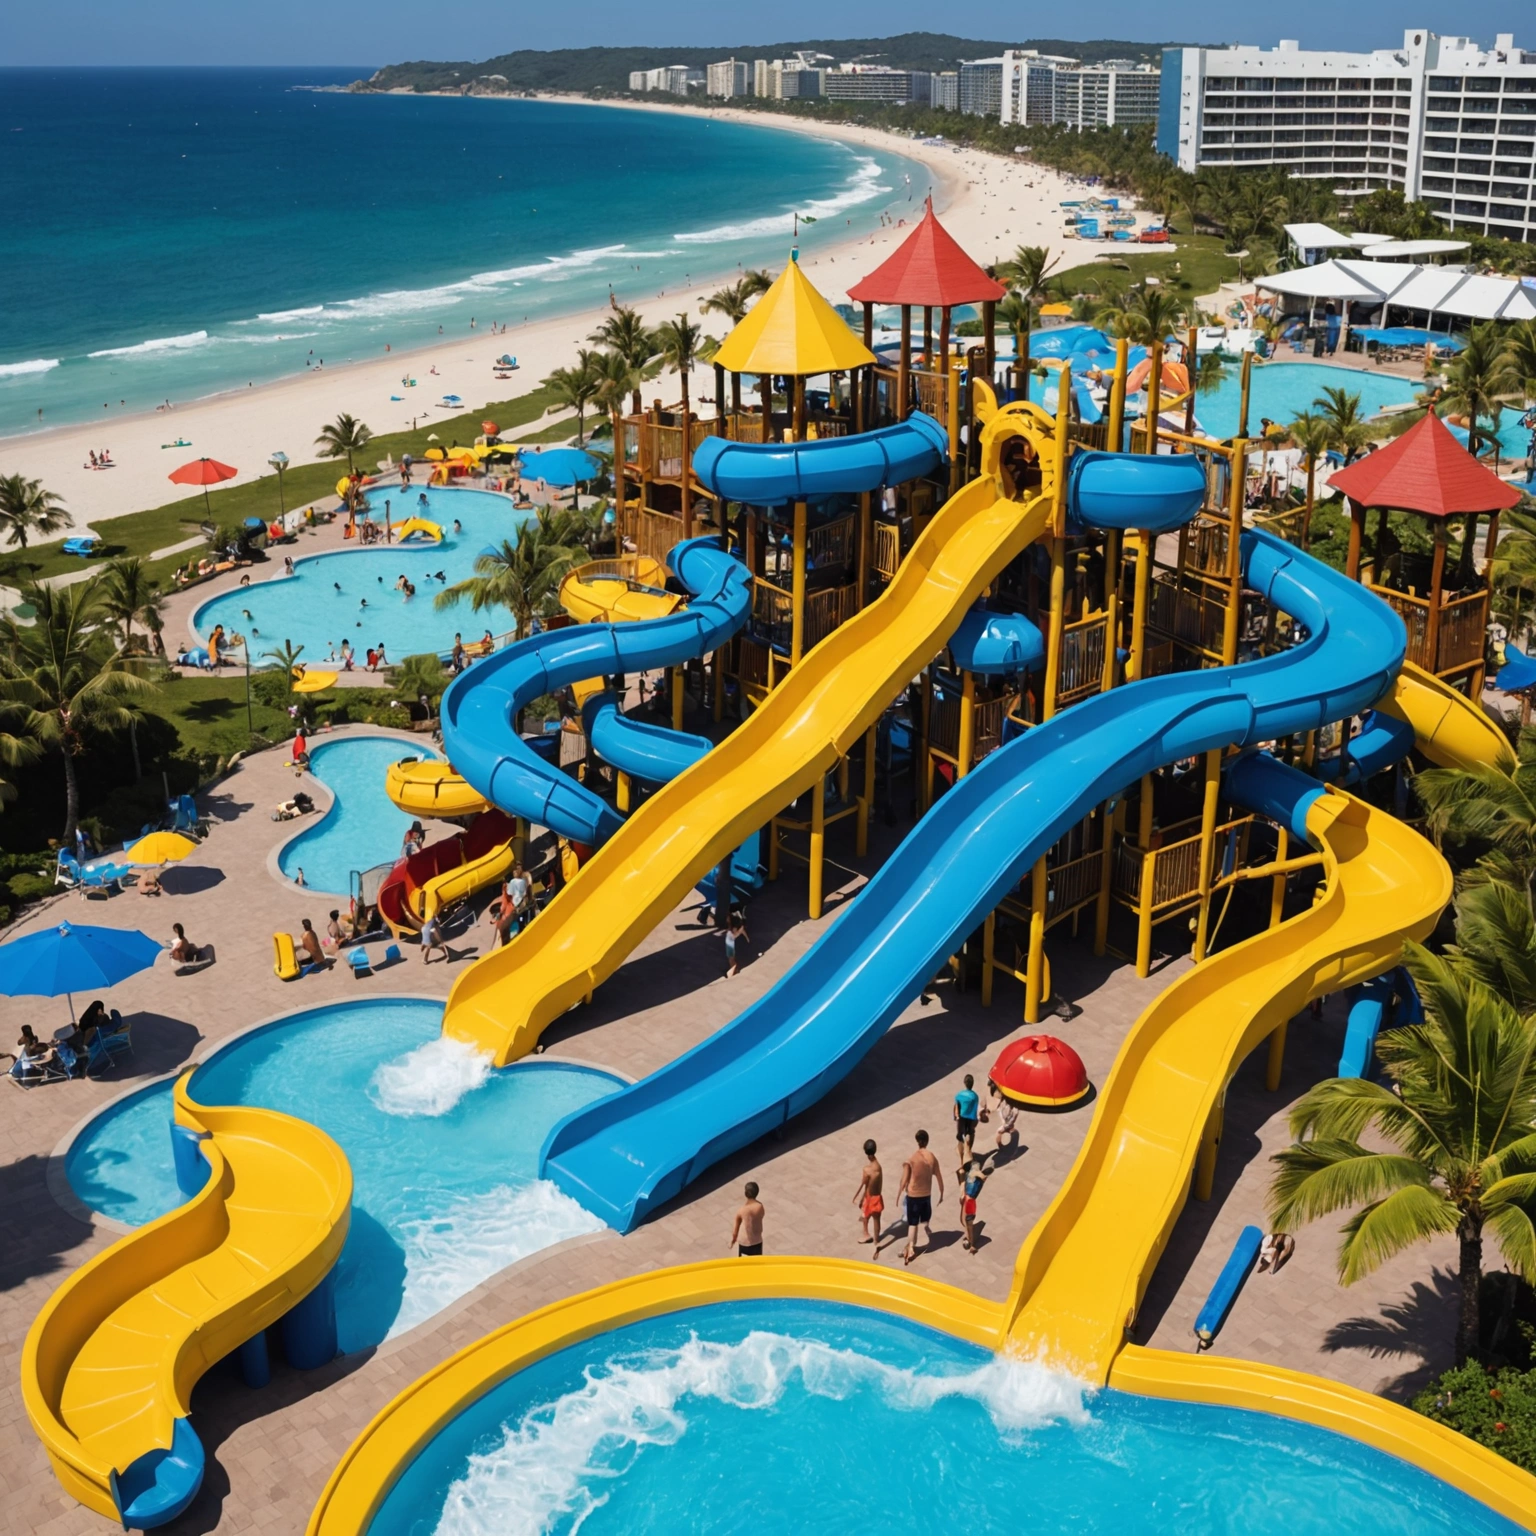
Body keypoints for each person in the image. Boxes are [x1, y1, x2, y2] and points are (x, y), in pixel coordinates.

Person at [898, 1130, 943, 1267]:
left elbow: (904, 1180)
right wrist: (941, 1193)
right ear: (927, 1141)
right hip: (926, 1196)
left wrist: (899, 1193)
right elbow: (939, 1176)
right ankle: (911, 1246)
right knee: (920, 1221)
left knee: (912, 1223)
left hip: (913, 1195)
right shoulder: (931, 1157)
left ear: (917, 1141)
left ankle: (910, 1248)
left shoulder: (912, 1158)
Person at [960, 1155, 995, 1254]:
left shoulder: (970, 1174)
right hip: (970, 1201)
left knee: (968, 1223)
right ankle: (970, 1243)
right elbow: (982, 1176)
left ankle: (969, 1241)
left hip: (969, 1201)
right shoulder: (974, 1173)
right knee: (968, 1223)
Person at [853, 1138, 884, 1252]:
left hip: (870, 1197)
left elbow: (865, 1186)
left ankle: (866, 1234)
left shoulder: (867, 1170)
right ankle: (876, 1241)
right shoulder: (879, 1167)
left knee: (865, 1216)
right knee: (876, 1219)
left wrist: (861, 1199)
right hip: (878, 1197)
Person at [729, 1181, 765, 1256]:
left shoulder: (741, 1210)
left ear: (745, 1193)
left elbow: (735, 1231)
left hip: (745, 1243)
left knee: (745, 1262)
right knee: (757, 1262)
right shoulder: (760, 1207)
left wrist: (733, 1240)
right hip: (757, 1241)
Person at [953, 1073, 981, 1168]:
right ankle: (969, 1152)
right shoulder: (975, 1096)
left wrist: (956, 1118)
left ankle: (961, 1161)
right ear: (973, 1084)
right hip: (971, 1119)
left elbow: (956, 1108)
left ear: (964, 1083)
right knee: (971, 1135)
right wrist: (975, 1122)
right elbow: (975, 1110)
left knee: (960, 1138)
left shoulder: (958, 1095)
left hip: (961, 1119)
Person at [987, 1078, 1020, 1150]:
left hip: (1008, 1121)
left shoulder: (1015, 1109)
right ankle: (1001, 1146)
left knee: (999, 1131)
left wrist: (1005, 1126)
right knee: (1000, 1131)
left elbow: (1013, 1117)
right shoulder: (1005, 1102)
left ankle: (1002, 1147)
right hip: (1005, 1117)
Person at [507, 860, 534, 930]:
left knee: (529, 923)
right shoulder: (515, 880)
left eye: (516, 869)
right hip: (520, 908)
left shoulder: (526, 875)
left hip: (526, 905)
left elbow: (529, 888)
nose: (514, 872)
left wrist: (529, 900)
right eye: (513, 870)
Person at [722, 911, 749, 977]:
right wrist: (747, 938)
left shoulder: (732, 930)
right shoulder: (731, 928)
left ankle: (734, 971)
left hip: (730, 946)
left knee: (731, 959)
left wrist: (741, 932)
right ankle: (734, 970)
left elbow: (738, 932)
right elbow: (741, 931)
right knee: (732, 959)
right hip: (730, 945)